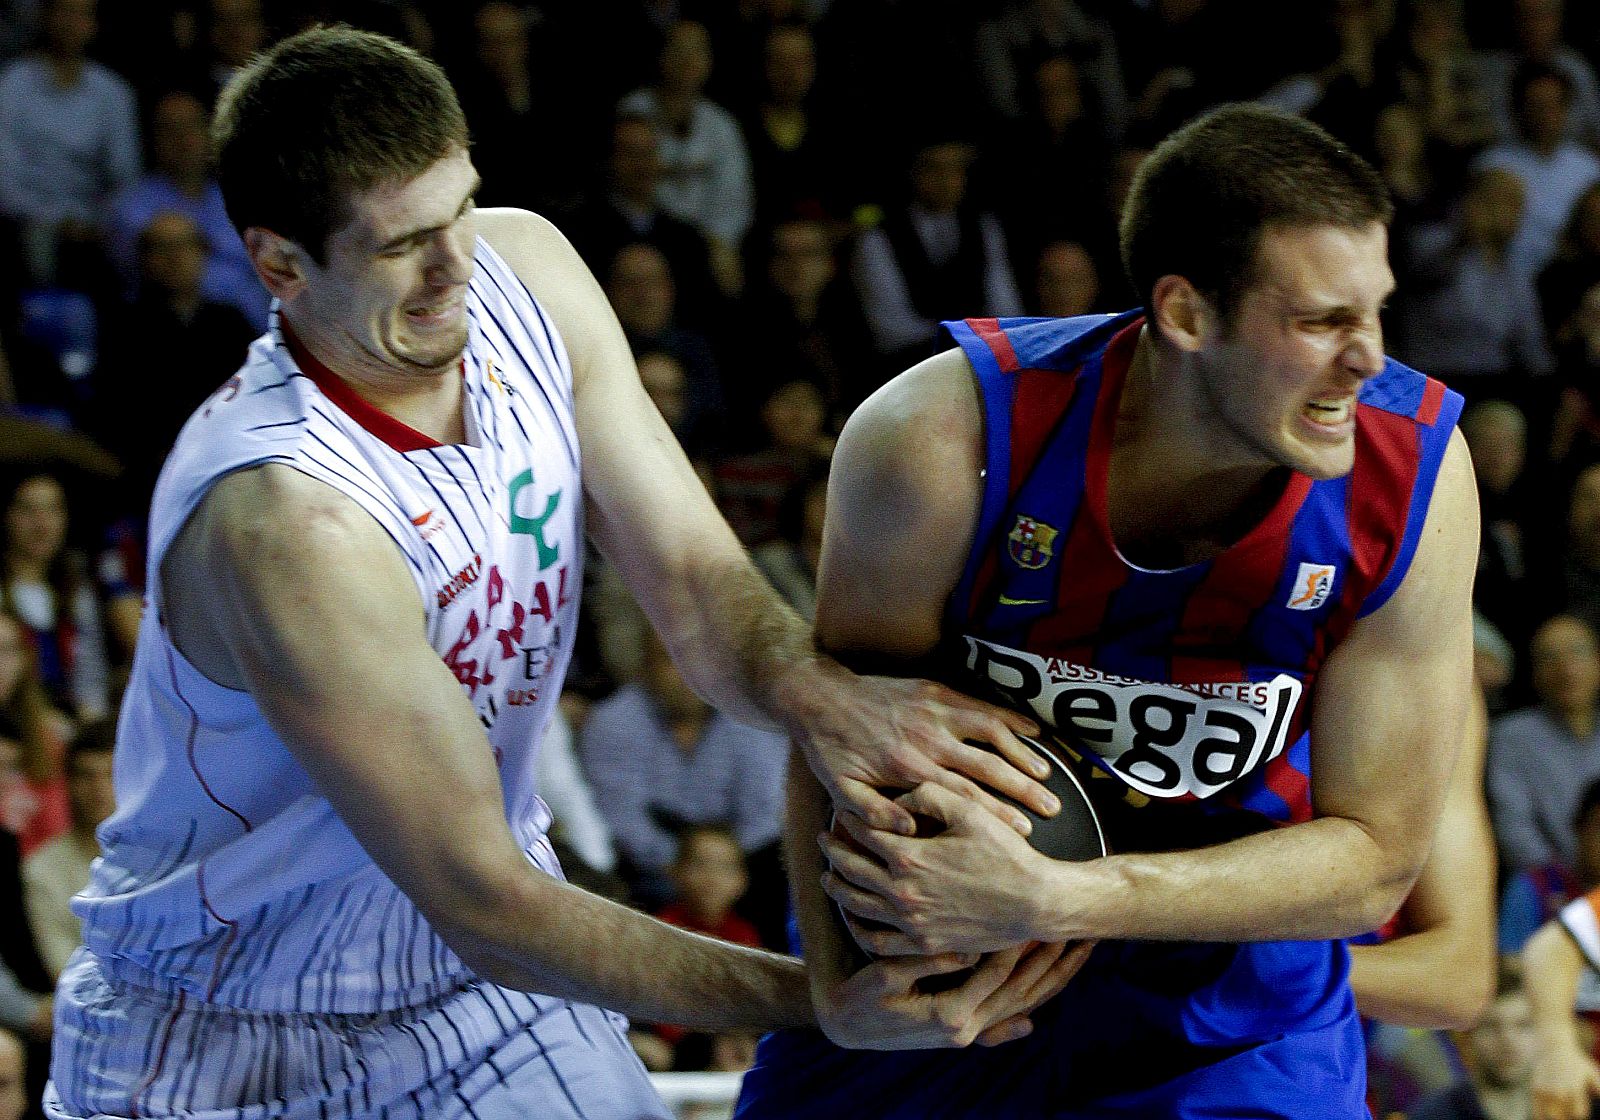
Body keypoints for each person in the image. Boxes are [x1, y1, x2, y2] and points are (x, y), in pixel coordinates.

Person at [43, 27, 1063, 1120]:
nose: (454, 270)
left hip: (483, 993)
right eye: (400, 247)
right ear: (280, 264)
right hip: (229, 1032)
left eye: (460, 212)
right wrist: (823, 1000)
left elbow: (691, 578)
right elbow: (485, 898)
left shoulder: (524, 264)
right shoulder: (288, 521)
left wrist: (824, 698)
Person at [738, 104, 1476, 1116]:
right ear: (1184, 313)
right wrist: (835, 989)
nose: (1367, 358)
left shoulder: (1414, 474)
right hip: (955, 969)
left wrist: (1067, 897)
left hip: (1232, 1002)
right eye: (1319, 322)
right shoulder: (942, 434)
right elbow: (837, 730)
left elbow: (1374, 865)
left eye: (1374, 312)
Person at [1408, 970, 1537, 1120]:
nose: (1508, 1041)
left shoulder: (1565, 1109)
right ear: (1467, 1036)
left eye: (1523, 1025)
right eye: (1491, 1026)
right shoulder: (1434, 1113)